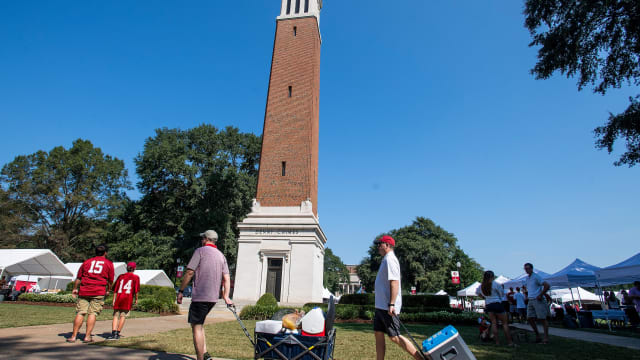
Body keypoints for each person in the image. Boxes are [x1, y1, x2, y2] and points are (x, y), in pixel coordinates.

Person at [177, 230, 233, 360]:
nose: (201, 239)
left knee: (196, 327)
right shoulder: (221, 256)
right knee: (199, 324)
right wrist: (226, 296)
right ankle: (205, 353)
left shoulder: (200, 251)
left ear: (206, 239)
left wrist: (181, 291)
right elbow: (227, 278)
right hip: (213, 297)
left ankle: (200, 358)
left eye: (202, 237)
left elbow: (190, 272)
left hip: (200, 295)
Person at [373, 235, 425, 360]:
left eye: (380, 244)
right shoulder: (386, 259)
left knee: (395, 337)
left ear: (387, 245)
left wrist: (391, 304)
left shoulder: (390, 259)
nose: (378, 247)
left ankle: (421, 358)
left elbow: (394, 282)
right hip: (380, 306)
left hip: (387, 306)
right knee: (378, 334)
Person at [68, 244, 114, 343]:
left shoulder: (87, 262)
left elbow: (79, 277)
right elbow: (110, 280)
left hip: (85, 290)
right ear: (105, 253)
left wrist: (75, 288)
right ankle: (87, 336)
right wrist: (108, 290)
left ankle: (73, 336)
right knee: (92, 313)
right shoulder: (108, 263)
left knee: (80, 312)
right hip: (98, 291)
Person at [475, 270, 514, 346]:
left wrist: (484, 297)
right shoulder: (495, 284)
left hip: (488, 305)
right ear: (492, 277)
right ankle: (510, 342)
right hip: (497, 304)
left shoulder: (482, 285)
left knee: (493, 323)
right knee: (505, 324)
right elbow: (502, 294)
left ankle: (497, 342)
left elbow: (477, 293)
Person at [107, 261, 141, 340]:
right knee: (123, 316)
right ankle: (118, 333)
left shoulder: (121, 276)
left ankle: (113, 332)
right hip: (127, 299)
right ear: (134, 269)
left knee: (115, 316)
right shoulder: (136, 277)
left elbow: (116, 289)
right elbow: (136, 290)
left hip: (119, 298)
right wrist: (136, 299)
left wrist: (114, 299)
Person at [524, 263, 550, 344]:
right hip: (531, 299)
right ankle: (538, 335)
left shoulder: (536, 276)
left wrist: (540, 295)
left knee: (542, 318)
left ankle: (546, 338)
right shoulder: (527, 278)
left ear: (532, 268)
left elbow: (547, 285)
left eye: (528, 268)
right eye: (525, 269)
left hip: (538, 299)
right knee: (529, 318)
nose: (526, 270)